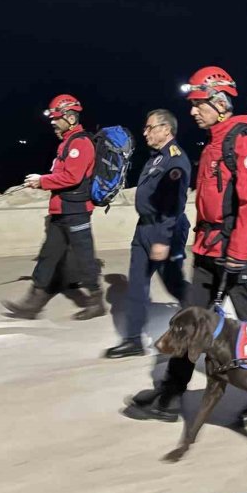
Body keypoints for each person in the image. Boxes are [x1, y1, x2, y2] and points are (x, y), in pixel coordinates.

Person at [124, 66, 247, 422]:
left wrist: (237, 252)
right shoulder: (213, 145)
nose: (192, 111)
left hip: (239, 253)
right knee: (189, 321)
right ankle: (173, 390)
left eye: (198, 104)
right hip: (208, 249)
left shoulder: (245, 141)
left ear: (220, 103)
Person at [1, 94, 105, 320]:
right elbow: (60, 175)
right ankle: (32, 304)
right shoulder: (66, 143)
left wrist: (42, 180)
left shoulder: (80, 143)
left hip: (76, 211)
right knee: (49, 255)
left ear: (70, 117)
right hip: (60, 210)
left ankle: (96, 301)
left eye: (56, 118)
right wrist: (40, 183)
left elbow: (72, 177)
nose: (52, 122)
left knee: (84, 257)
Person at [104, 110, 191, 358]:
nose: (145, 132)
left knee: (175, 285)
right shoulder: (156, 158)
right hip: (144, 229)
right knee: (137, 286)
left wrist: (163, 239)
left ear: (166, 129)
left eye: (150, 127)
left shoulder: (175, 159)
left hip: (165, 230)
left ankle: (208, 319)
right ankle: (133, 341)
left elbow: (174, 204)